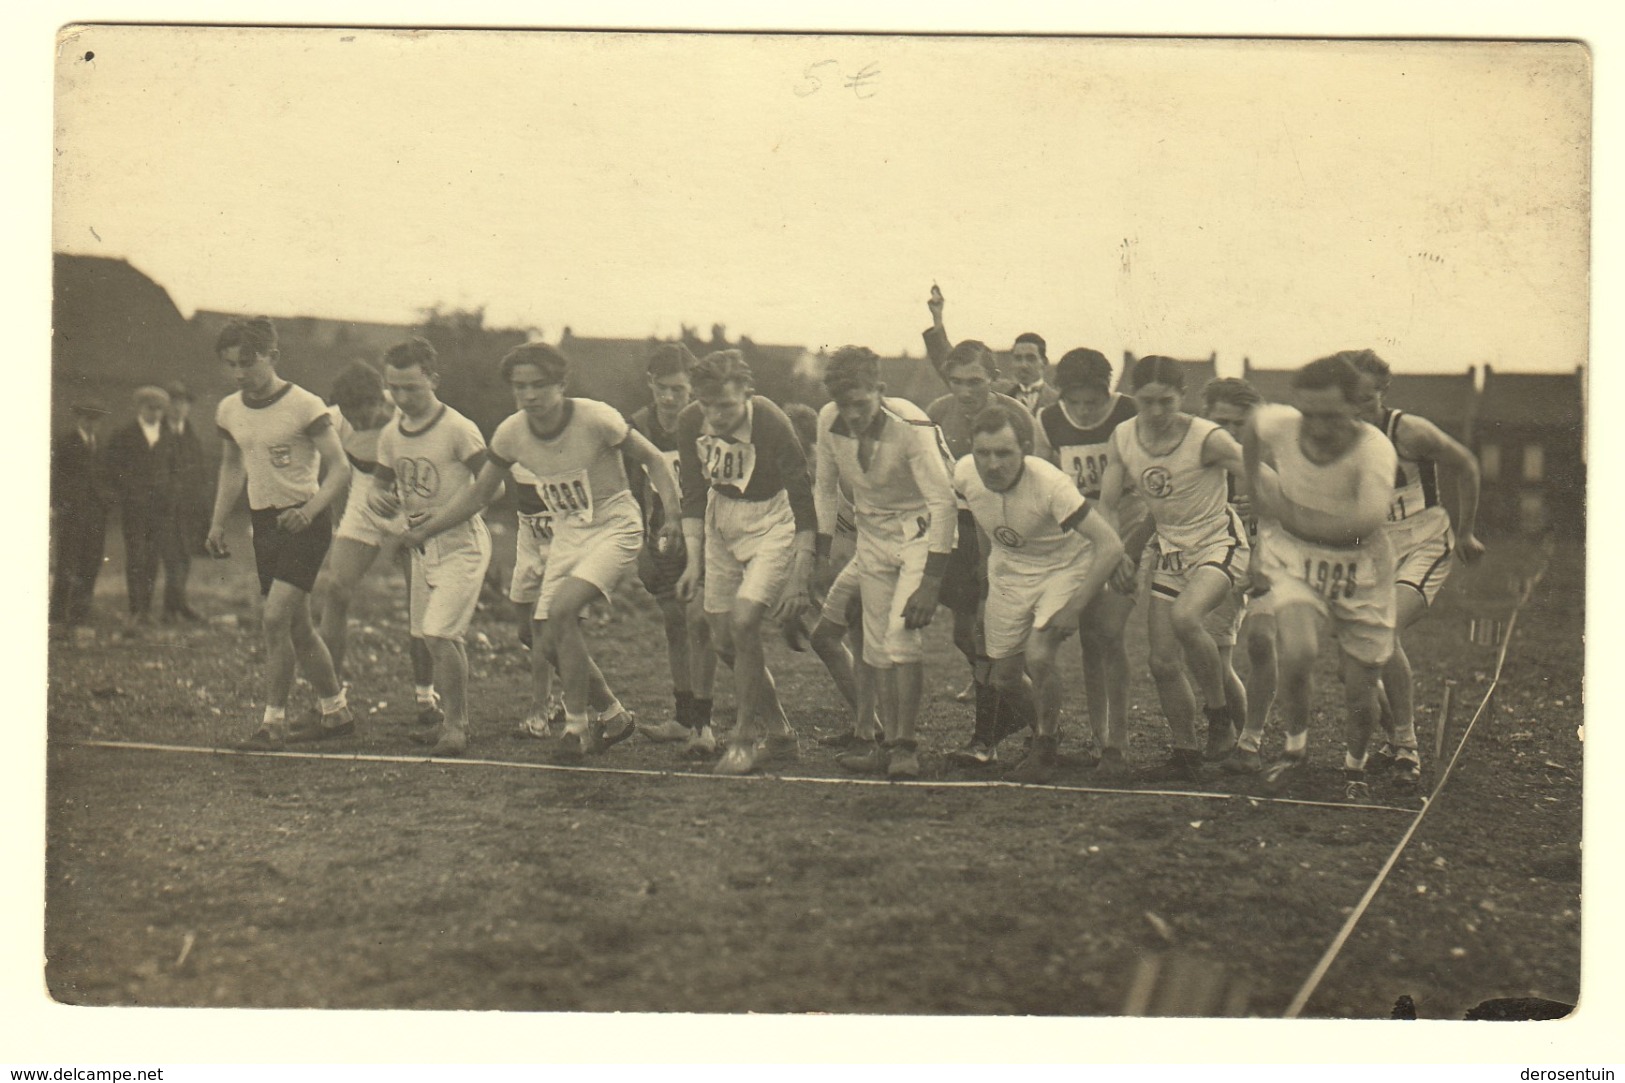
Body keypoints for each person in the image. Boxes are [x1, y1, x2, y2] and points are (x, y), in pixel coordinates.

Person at [403, 342, 678, 762]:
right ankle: (613, 713)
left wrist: (672, 518)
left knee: (562, 612)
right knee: (539, 637)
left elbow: (655, 460)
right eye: (519, 387)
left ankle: (576, 728)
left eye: (538, 386)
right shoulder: (511, 433)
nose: (529, 396)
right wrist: (426, 529)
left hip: (614, 524)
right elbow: (479, 495)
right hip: (567, 530)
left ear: (561, 385)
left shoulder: (596, 417)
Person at [1244, 355, 1400, 801]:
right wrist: (1256, 486)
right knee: (1297, 651)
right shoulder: (1283, 424)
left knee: (1359, 688)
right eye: (1307, 413)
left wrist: (1286, 515)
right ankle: (1295, 752)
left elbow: (1363, 524)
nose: (1314, 426)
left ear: (1356, 407)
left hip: (1361, 571)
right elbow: (1253, 426)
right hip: (1300, 563)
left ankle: (1355, 767)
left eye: (1329, 415)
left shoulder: (1374, 451)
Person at [206, 317, 353, 750]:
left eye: (247, 363)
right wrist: (217, 521)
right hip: (264, 526)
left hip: (305, 524)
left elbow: (340, 469)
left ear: (272, 356)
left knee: (274, 619)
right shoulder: (229, 409)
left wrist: (308, 512)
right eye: (230, 364)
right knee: (298, 627)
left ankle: (273, 724)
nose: (238, 374)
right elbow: (232, 465)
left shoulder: (305, 405)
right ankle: (336, 711)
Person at [1100, 355, 1249, 782]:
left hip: (1218, 543)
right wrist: (1118, 554)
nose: (1157, 412)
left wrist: (1270, 519)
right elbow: (1109, 504)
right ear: (1135, 398)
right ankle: (1186, 750)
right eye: (1147, 402)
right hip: (1170, 549)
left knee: (1187, 617)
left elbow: (1258, 472)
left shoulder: (1207, 437)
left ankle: (1220, 721)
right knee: (1162, 662)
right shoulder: (1124, 437)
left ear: (1182, 397)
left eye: (1166, 401)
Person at [956, 404, 1124, 783]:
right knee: (1004, 677)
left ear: (1025, 450)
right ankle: (1048, 735)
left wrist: (1075, 607)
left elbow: (1110, 545)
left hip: (1063, 567)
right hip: (1010, 570)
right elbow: (985, 525)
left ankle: (1044, 749)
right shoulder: (964, 474)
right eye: (983, 453)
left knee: (1039, 655)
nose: (992, 464)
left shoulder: (1050, 484)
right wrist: (986, 578)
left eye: (1004, 453)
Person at [813, 346, 957, 779]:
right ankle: (881, 744)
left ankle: (905, 746)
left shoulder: (910, 426)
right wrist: (821, 555)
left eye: (861, 403)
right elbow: (824, 487)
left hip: (919, 530)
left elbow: (944, 503)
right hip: (871, 536)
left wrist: (931, 583)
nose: (853, 414)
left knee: (901, 638)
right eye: (844, 405)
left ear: (880, 390)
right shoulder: (828, 422)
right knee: (875, 646)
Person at [1345, 349, 1486, 785]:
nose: (1358, 411)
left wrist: (1465, 532)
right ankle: (1394, 741)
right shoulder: (1334, 436)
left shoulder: (1409, 431)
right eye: (1349, 400)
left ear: (1382, 396)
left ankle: (1407, 748)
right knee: (1353, 657)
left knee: (1384, 631)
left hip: (1426, 539)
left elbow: (1466, 465)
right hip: (1376, 548)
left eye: (1367, 400)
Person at [674, 350, 814, 775]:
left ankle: (743, 739)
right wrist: (693, 562)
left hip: (773, 519)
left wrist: (800, 579)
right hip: (721, 523)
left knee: (745, 621)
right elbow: (694, 494)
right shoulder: (688, 423)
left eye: (727, 406)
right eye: (707, 405)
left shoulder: (771, 422)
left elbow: (804, 501)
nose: (715, 416)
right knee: (724, 643)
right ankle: (781, 733)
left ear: (747, 395)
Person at [925, 335, 1051, 766]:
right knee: (965, 635)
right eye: (956, 381)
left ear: (994, 379)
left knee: (985, 638)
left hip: (1003, 530)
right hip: (955, 530)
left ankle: (991, 739)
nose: (965, 391)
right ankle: (1023, 714)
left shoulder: (1016, 416)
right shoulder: (938, 413)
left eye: (975, 381)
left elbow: (1040, 478)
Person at [370, 338, 492, 756]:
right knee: (429, 636)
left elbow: (492, 488)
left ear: (433, 380)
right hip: (422, 551)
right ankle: (448, 722)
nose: (402, 398)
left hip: (462, 545)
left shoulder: (458, 428)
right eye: (394, 388)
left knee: (441, 632)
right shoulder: (391, 433)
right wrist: (378, 499)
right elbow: (379, 485)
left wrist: (433, 524)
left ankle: (457, 727)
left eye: (412, 388)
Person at [1037, 348, 1147, 780]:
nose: (1083, 412)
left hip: (1132, 523)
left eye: (1092, 402)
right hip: (1080, 531)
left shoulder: (1130, 413)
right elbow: (1045, 483)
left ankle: (1118, 744)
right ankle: (1102, 739)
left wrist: (1124, 551)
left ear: (1109, 392)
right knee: (1088, 638)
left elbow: (1144, 492)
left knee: (1110, 633)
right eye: (1075, 402)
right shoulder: (1047, 421)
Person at [312, 361, 438, 728]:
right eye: (351, 414)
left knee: (420, 604)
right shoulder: (336, 419)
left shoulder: (406, 414)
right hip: (365, 498)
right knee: (336, 589)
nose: (359, 420)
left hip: (411, 501)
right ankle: (332, 698)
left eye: (365, 412)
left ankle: (426, 696)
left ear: (380, 400)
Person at [623, 343, 719, 749]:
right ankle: (684, 718)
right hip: (661, 537)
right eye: (661, 387)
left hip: (707, 535)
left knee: (703, 625)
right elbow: (629, 491)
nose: (668, 397)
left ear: (692, 389)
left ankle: (705, 724)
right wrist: (640, 545)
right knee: (674, 625)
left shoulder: (706, 422)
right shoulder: (637, 426)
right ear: (650, 383)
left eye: (678, 389)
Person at [786, 401, 879, 749]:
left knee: (861, 641)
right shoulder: (795, 486)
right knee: (830, 639)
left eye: (797, 447)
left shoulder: (845, 476)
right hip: (852, 566)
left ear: (816, 446)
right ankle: (868, 725)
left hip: (884, 560)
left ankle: (878, 730)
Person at [1198, 377, 1273, 772]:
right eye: (1220, 422)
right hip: (1223, 560)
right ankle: (1246, 742)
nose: (1228, 432)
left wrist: (1267, 514)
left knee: (1264, 643)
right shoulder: (1200, 460)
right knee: (1212, 654)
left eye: (1238, 424)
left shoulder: (1275, 456)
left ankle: (1393, 732)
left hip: (1277, 560)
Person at [106, 385, 179, 626]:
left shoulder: (168, 436)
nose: (156, 413)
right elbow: (113, 468)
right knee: (136, 556)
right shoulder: (124, 435)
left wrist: (168, 493)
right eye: (151, 408)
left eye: (159, 409)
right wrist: (130, 490)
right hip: (134, 508)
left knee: (152, 558)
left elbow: (175, 470)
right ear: (140, 408)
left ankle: (147, 609)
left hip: (159, 509)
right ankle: (136, 610)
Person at [506, 460, 564, 738]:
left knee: (543, 630)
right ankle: (581, 685)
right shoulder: (516, 445)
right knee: (526, 633)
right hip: (529, 547)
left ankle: (539, 711)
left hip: (564, 548)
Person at [49, 400, 113, 631]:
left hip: (96, 511)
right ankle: (58, 613)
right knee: (68, 561)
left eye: (96, 420)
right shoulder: (66, 442)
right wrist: (59, 504)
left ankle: (80, 612)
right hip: (72, 511)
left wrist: (106, 500)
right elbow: (55, 476)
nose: (91, 424)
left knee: (91, 561)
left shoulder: (101, 445)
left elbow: (108, 476)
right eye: (87, 419)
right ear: (79, 419)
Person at [161, 382, 211, 622]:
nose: (178, 409)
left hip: (188, 508)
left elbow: (199, 473)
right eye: (174, 403)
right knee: (171, 557)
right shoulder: (158, 434)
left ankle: (178, 604)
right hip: (164, 508)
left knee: (185, 555)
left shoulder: (191, 437)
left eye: (183, 404)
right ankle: (171, 607)